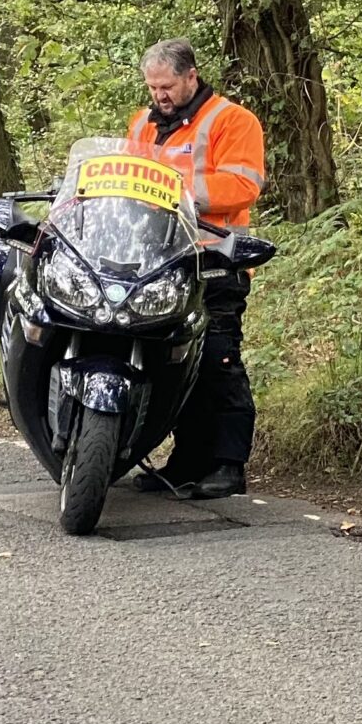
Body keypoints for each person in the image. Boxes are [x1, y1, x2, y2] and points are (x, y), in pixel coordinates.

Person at [126, 38, 267, 501]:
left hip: (214, 260)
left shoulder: (232, 120)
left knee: (216, 358)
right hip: (155, 261)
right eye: (152, 88)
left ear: (191, 76)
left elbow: (243, 186)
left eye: (166, 86)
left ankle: (228, 464)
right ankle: (187, 459)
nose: (159, 96)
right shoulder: (142, 124)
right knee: (169, 359)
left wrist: (171, 185)